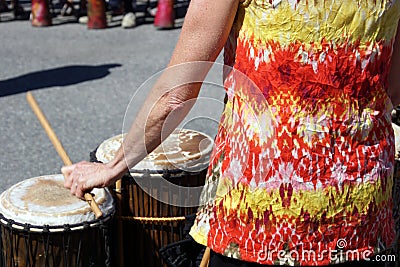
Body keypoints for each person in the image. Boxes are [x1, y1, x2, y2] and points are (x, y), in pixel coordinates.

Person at [62, 0, 400, 266]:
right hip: (361, 218)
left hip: (256, 222)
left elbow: (175, 95)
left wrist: (112, 167)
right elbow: (393, 87)